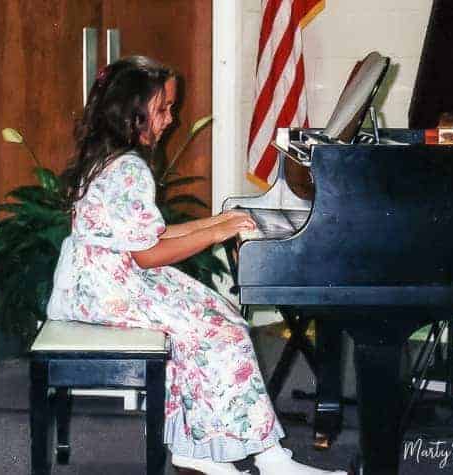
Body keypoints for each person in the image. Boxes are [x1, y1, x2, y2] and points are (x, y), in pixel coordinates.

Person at [47, 56, 347, 475]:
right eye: (163, 109)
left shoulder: (109, 156)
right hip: (109, 288)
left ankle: (198, 448)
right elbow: (147, 253)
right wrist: (216, 233)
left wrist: (219, 221)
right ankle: (268, 458)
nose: (171, 118)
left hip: (97, 279)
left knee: (213, 312)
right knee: (221, 329)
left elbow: (146, 233)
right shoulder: (131, 169)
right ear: (132, 114)